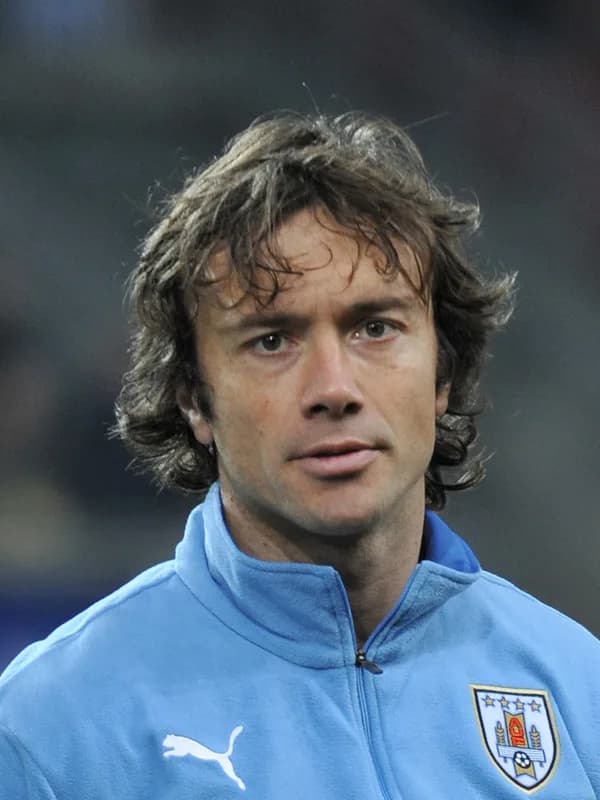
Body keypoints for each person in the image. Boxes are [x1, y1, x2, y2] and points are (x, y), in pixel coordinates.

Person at [1, 112, 598, 799]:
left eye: (375, 328)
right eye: (272, 341)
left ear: (443, 372)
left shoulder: (578, 687)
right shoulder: (49, 731)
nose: (334, 389)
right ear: (194, 398)